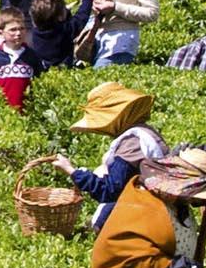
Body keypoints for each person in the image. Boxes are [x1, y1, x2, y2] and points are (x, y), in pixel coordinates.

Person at [45, 80, 165, 235]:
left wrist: (72, 171)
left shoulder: (132, 142)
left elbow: (110, 190)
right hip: (162, 213)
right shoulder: (147, 133)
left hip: (146, 221)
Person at [0, 9, 38, 108]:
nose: (18, 33)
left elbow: (39, 78)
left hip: (27, 110)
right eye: (13, 30)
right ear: (1, 32)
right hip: (2, 109)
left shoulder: (31, 55)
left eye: (22, 28)